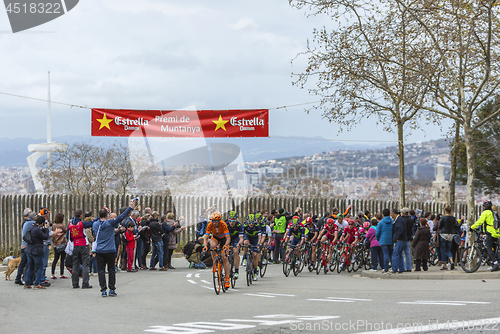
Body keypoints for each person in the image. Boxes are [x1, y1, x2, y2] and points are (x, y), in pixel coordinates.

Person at [93, 199, 135, 297]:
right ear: (107, 215)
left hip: (99, 249)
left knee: (101, 271)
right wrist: (130, 207)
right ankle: (111, 289)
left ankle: (103, 290)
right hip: (110, 249)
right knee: (111, 270)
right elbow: (121, 217)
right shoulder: (110, 223)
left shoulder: (95, 224)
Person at [203, 211, 231, 288]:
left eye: (216, 221)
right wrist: (205, 246)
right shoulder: (210, 225)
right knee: (212, 244)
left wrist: (225, 245)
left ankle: (227, 279)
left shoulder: (223, 224)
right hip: (215, 238)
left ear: (219, 221)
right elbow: (206, 238)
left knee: (224, 257)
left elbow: (228, 238)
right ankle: (214, 262)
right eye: (213, 221)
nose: (214, 223)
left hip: (224, 240)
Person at [68, 209, 94, 289]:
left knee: (75, 265)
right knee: (85, 265)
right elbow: (91, 223)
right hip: (83, 244)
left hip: (75, 245)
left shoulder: (70, 224)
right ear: (81, 215)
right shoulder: (81, 224)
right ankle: (85, 283)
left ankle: (75, 283)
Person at [471, 200, 500, 271]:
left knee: (489, 247)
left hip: (490, 232)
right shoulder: (494, 212)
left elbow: (480, 221)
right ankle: (494, 265)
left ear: (484, 207)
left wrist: (472, 227)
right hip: (496, 233)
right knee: (494, 249)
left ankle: (495, 262)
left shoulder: (485, 213)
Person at [25, 216, 50, 289]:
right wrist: (47, 229)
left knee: (30, 267)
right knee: (40, 267)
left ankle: (27, 283)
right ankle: (36, 284)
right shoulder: (37, 230)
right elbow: (45, 237)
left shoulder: (31, 227)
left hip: (29, 250)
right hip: (36, 251)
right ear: (42, 223)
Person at [15, 210, 36, 285]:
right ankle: (25, 279)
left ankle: (18, 278)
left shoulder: (26, 222)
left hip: (23, 246)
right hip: (27, 246)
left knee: (23, 263)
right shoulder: (31, 223)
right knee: (27, 263)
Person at [241, 214, 262, 281]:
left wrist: (259, 243)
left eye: (252, 222)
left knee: (255, 255)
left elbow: (259, 236)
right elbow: (241, 235)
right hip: (248, 237)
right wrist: (240, 243)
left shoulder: (257, 226)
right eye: (249, 222)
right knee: (245, 243)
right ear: (247, 221)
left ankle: (255, 272)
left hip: (255, 239)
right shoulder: (244, 226)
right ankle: (244, 257)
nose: (251, 224)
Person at [438, 205, 458, 270]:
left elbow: (439, 226)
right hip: (450, 234)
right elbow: (455, 225)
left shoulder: (443, 218)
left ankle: (444, 265)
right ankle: (451, 261)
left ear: (445, 211)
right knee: (449, 249)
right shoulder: (453, 218)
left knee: (443, 249)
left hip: (443, 234)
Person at [375, 209, 393, 274]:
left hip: (383, 240)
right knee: (391, 254)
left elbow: (377, 233)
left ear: (383, 215)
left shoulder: (381, 223)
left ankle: (385, 268)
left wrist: (378, 239)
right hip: (391, 240)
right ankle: (393, 268)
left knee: (385, 254)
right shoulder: (392, 221)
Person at [51, 213, 68, 279]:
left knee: (55, 259)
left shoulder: (53, 226)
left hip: (56, 244)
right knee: (62, 259)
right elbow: (66, 230)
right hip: (62, 244)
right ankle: (61, 274)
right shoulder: (62, 226)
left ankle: (52, 274)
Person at [390, 208, 407, 274]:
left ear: (393, 213)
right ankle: (401, 268)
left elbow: (400, 229)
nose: (390, 215)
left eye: (391, 213)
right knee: (399, 254)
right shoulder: (398, 219)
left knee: (395, 254)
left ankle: (394, 268)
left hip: (400, 239)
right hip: (401, 239)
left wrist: (397, 237)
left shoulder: (399, 220)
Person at [227, 210, 243, 278]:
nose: (231, 222)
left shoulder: (239, 225)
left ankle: (236, 271)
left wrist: (239, 244)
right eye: (230, 220)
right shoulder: (226, 224)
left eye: (233, 221)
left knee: (235, 251)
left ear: (236, 220)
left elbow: (241, 238)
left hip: (236, 238)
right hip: (228, 238)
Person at [401, 207, 414, 272]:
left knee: (401, 253)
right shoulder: (410, 219)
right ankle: (409, 267)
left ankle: (402, 266)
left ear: (403, 213)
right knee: (407, 252)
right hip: (408, 237)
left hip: (401, 237)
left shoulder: (401, 220)